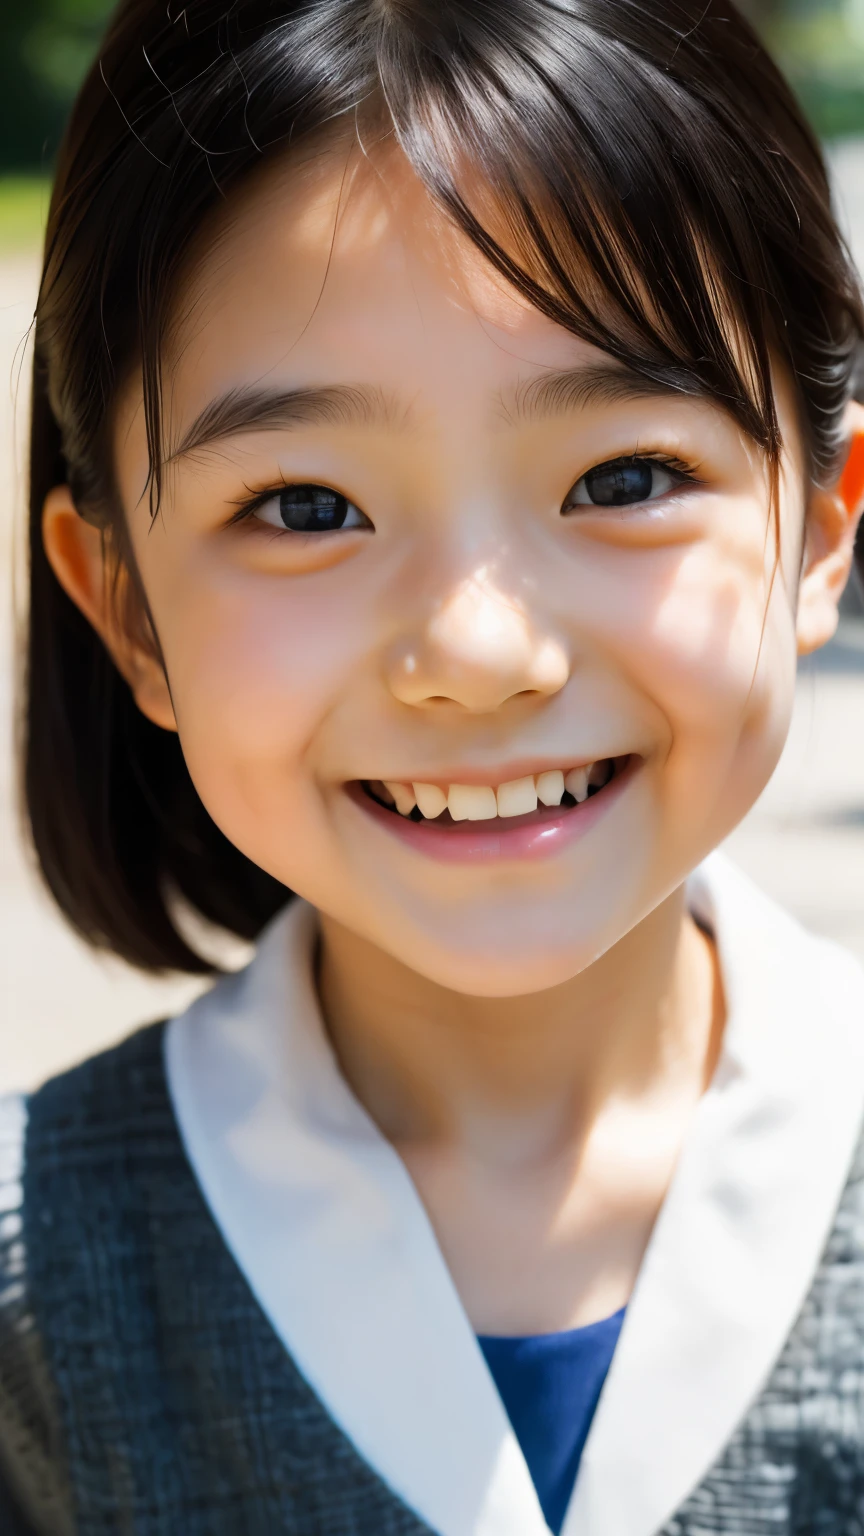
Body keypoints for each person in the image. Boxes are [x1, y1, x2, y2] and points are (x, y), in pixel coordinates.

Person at [4, 0, 864, 1530]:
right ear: (124, 606)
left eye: (625, 478)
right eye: (307, 507)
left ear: (823, 523)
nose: (477, 651)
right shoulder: (36, 1276)